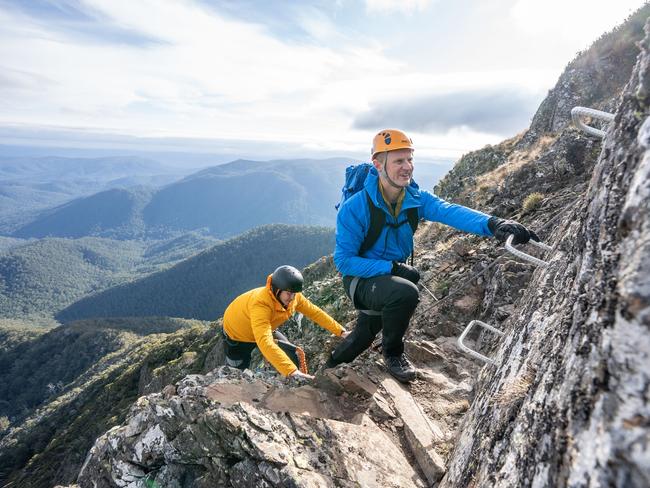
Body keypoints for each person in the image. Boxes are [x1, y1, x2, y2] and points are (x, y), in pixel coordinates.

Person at [327, 129, 538, 383]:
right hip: (359, 279)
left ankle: (327, 370)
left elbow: (449, 211)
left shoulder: (415, 199)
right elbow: (344, 262)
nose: (407, 167)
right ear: (378, 164)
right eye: (399, 161)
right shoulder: (355, 207)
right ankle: (393, 353)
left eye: (409, 160)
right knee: (405, 293)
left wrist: (493, 224)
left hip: (388, 278)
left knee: (364, 334)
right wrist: (391, 268)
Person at [222, 265, 350, 380]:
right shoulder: (261, 305)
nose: (292, 298)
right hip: (237, 336)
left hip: (264, 327)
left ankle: (298, 380)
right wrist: (290, 371)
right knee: (236, 373)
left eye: (294, 294)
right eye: (289, 294)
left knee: (290, 353)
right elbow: (264, 341)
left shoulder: (293, 296)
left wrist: (341, 331)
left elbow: (315, 313)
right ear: (277, 290)